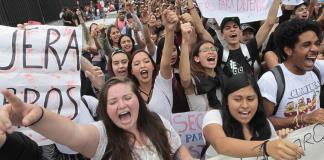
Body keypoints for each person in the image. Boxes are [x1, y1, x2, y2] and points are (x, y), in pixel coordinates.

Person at [0, 77, 192, 160]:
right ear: (105, 110)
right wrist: (37, 116)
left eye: (127, 98)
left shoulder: (157, 121)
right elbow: (73, 133)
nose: (122, 105)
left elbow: (177, 149)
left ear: (139, 102)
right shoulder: (103, 135)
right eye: (113, 101)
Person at [202, 73, 304, 160]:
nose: (245, 105)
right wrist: (267, 147)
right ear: (227, 101)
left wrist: (282, 142)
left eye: (250, 99)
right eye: (237, 99)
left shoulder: (265, 124)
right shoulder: (214, 116)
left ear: (258, 100)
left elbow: (274, 151)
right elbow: (221, 145)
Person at [258, 19, 324, 130]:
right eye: (306, 45)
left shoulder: (318, 68)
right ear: (288, 50)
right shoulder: (270, 80)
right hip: (287, 145)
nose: (315, 49)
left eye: (317, 44)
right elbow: (262, 121)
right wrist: (303, 118)